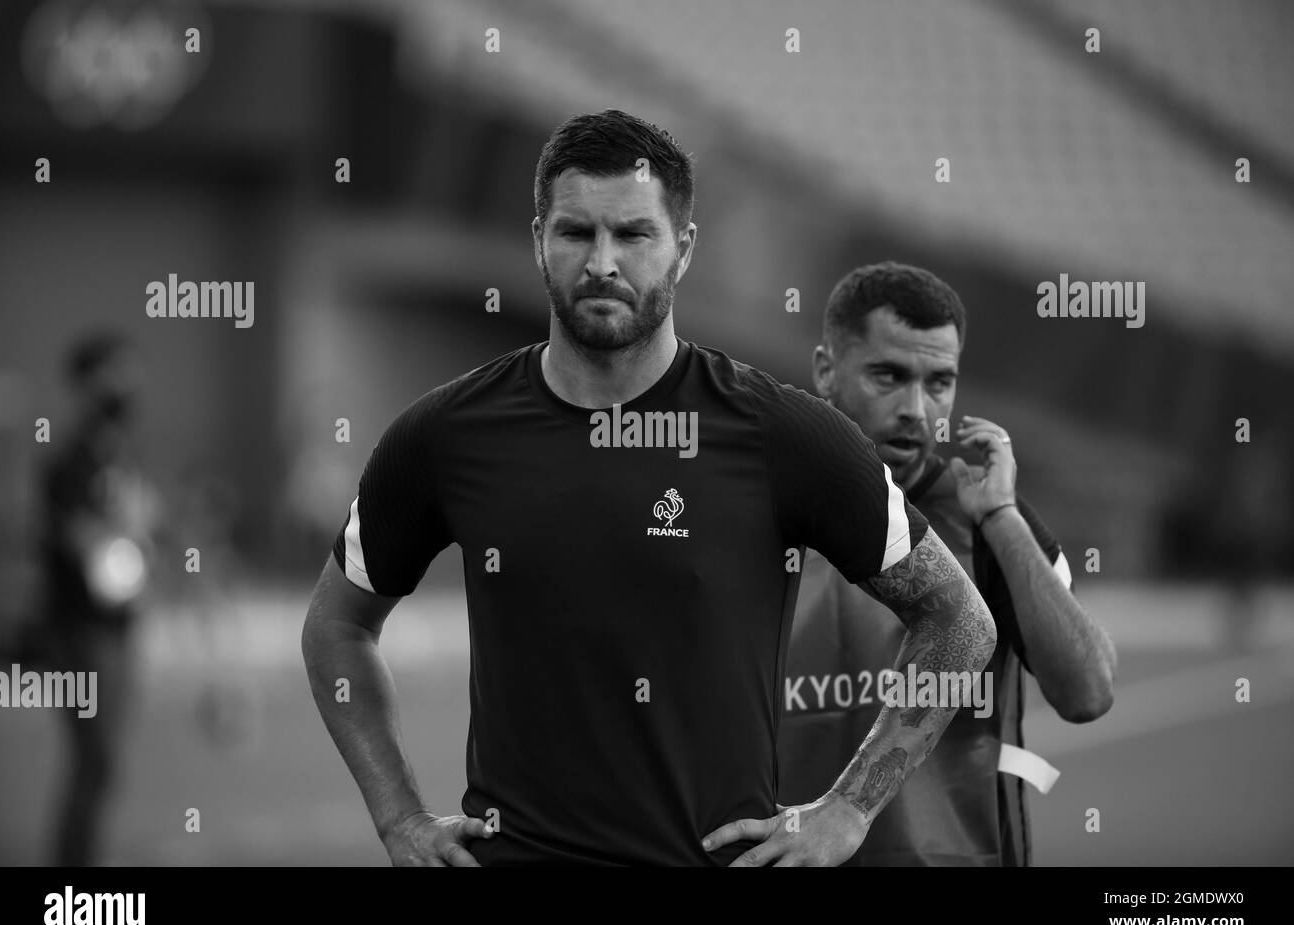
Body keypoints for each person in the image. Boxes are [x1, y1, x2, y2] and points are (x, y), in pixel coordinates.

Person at [302, 111, 997, 867]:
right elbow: (337, 626)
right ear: (538, 238)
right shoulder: (446, 434)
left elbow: (959, 619)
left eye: (633, 235)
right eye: (576, 233)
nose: (602, 262)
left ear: (683, 249)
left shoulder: (782, 434)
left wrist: (849, 809)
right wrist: (398, 816)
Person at [777, 262, 1118, 865]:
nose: (917, 408)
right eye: (889, 376)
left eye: (939, 382)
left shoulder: (988, 524)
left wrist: (1003, 520)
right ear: (826, 371)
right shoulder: (763, 507)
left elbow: (1087, 694)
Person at [36, 330, 157, 865]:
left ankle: (80, 867)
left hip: (117, 628)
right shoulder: (68, 461)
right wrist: (121, 538)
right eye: (118, 370)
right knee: (97, 760)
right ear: (88, 383)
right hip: (81, 632)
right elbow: (83, 542)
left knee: (106, 764)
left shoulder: (118, 455)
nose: (131, 382)